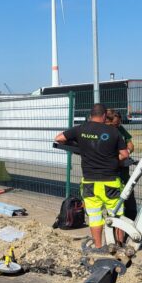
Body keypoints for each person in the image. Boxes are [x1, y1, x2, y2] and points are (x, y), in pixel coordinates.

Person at [55, 103, 129, 252]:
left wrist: (80, 146)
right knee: (117, 215)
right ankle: (119, 245)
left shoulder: (80, 129)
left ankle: (98, 247)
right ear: (103, 116)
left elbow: (58, 138)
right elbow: (125, 155)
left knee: (95, 217)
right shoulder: (113, 132)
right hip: (110, 182)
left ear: (90, 115)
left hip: (89, 182)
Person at [106, 109, 137, 221]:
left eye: (119, 123)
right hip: (111, 174)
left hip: (124, 172)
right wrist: (115, 160)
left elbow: (131, 145)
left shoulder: (120, 129)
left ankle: (131, 223)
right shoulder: (104, 132)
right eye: (115, 124)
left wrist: (126, 154)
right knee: (115, 204)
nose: (117, 126)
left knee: (130, 201)